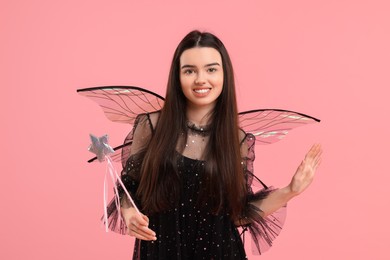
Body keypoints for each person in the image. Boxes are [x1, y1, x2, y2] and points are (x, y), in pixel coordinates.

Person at [106, 30, 322, 259]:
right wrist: (129, 214)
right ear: (177, 77)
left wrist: (291, 191)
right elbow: (128, 187)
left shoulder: (236, 139)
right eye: (190, 70)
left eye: (211, 69)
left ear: (224, 75)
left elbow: (239, 214)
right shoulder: (152, 126)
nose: (201, 79)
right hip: (162, 251)